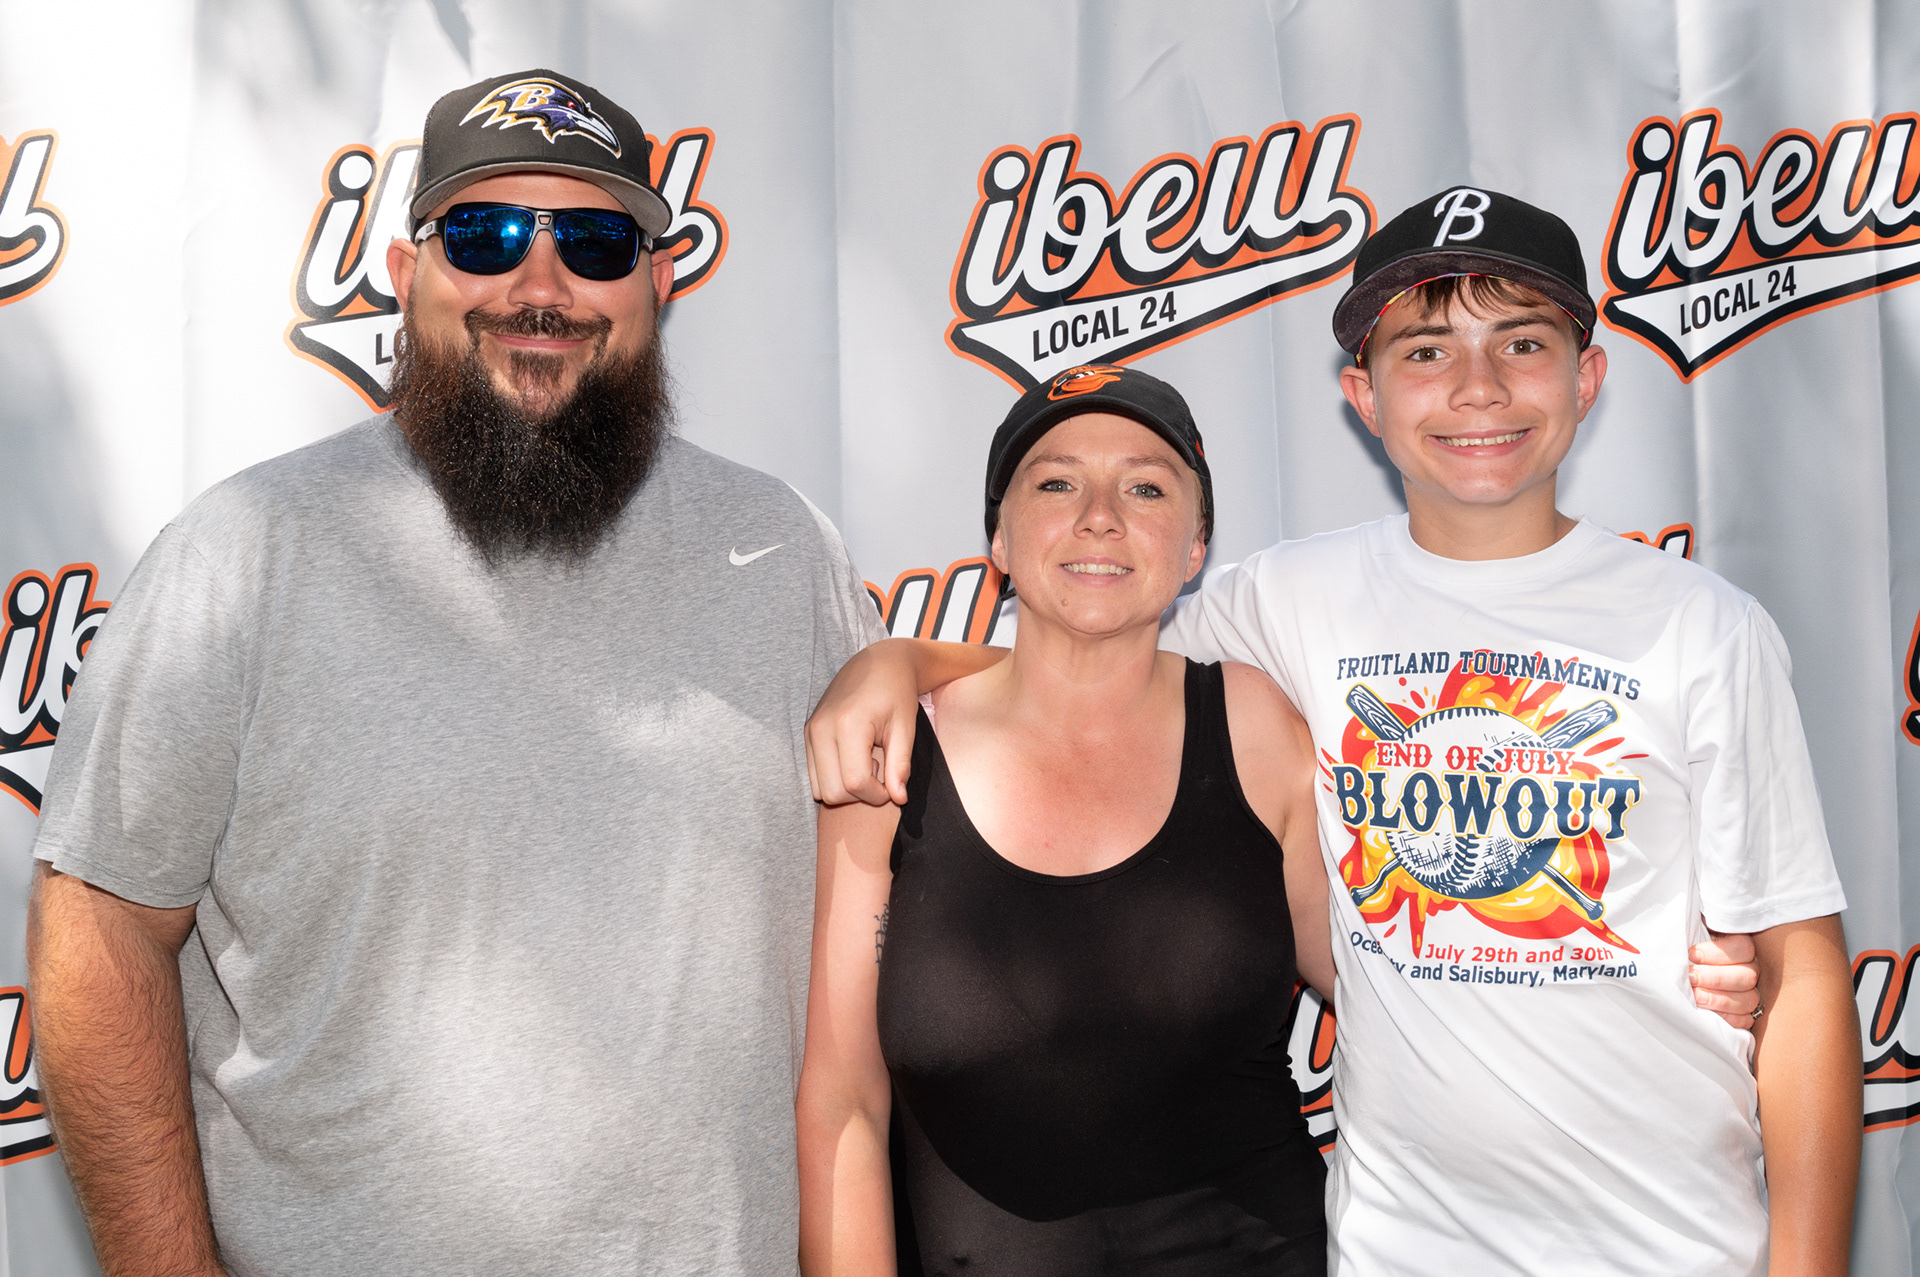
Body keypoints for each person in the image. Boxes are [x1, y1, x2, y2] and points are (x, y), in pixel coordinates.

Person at [807, 188, 1855, 1276]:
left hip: (1671, 1243)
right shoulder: (1292, 600)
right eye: (1426, 351)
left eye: (1523, 343)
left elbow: (1807, 979)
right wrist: (900, 662)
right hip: (1401, 1251)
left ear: (1587, 376)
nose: (1478, 386)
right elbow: (1080, 647)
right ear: (1363, 395)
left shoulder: (1702, 629)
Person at [27, 69, 880, 1277]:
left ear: (659, 279)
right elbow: (100, 919)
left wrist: (918, 658)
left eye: (593, 243)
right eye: (484, 235)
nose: (540, 283)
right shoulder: (245, 554)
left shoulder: (785, 553)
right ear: (405, 269)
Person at [797, 367, 1336, 1275]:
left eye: (1146, 487)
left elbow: (1384, 988)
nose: (1099, 517)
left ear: (1196, 546)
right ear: (999, 538)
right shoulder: (891, 752)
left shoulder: (1252, 726)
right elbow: (842, 1102)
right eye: (1056, 482)